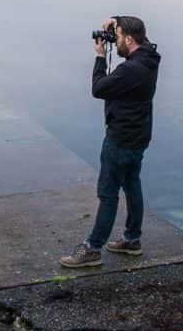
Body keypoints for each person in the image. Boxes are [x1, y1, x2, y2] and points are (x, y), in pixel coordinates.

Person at [60, 15, 161, 268]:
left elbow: (99, 88)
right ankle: (132, 240)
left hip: (121, 138)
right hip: (139, 136)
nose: (113, 42)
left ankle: (93, 249)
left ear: (129, 39)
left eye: (116, 38)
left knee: (107, 193)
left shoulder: (130, 69)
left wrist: (100, 57)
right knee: (131, 184)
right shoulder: (149, 56)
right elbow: (136, 31)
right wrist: (115, 20)